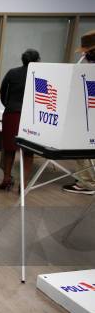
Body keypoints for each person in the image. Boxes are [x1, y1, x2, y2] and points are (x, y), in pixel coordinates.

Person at [0, 49, 40, 190]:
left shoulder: (12, 73)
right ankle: (23, 184)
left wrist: (9, 105)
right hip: (31, 116)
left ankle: (6, 178)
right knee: (28, 152)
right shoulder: (39, 75)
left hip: (12, 113)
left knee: (9, 149)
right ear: (37, 60)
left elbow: (3, 92)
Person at [62, 30, 95, 195]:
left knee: (85, 149)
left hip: (88, 119)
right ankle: (87, 178)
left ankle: (87, 182)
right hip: (87, 116)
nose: (85, 55)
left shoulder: (90, 70)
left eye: (87, 52)